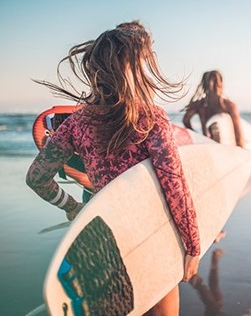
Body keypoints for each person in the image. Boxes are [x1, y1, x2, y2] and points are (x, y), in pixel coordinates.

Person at [26, 20, 200, 315]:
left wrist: (73, 207)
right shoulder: (150, 119)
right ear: (131, 70)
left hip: (105, 238)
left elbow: (36, 177)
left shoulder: (77, 123)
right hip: (150, 233)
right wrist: (193, 245)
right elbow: (175, 187)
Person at [182, 70, 244, 147]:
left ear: (204, 85)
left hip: (209, 146)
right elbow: (238, 134)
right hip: (220, 147)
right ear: (221, 84)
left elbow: (185, 120)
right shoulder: (228, 105)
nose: (212, 85)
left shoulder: (200, 104)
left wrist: (199, 137)